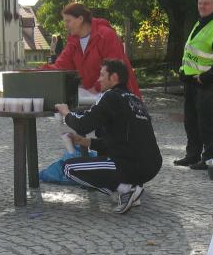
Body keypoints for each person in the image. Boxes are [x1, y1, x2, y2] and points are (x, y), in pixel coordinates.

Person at [54, 59, 161, 214]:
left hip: (129, 165)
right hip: (151, 166)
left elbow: (84, 124)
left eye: (102, 75)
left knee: (68, 167)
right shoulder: (134, 99)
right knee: (107, 154)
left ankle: (125, 190)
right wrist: (84, 141)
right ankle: (131, 190)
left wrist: (66, 114)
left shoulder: (111, 96)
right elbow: (122, 141)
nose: (99, 79)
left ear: (114, 77)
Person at [174, 0, 213, 170]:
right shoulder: (200, 23)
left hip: (209, 84)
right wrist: (183, 71)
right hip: (192, 82)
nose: (202, 6)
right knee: (191, 121)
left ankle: (210, 158)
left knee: (207, 122)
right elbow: (193, 52)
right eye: (200, 2)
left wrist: (207, 77)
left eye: (206, 3)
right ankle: (192, 155)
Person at [42, 3, 141, 99]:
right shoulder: (73, 42)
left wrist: (95, 89)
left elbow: (114, 69)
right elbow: (60, 66)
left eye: (68, 21)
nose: (65, 26)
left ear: (80, 19)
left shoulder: (105, 35)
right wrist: (36, 72)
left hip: (123, 98)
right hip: (97, 98)